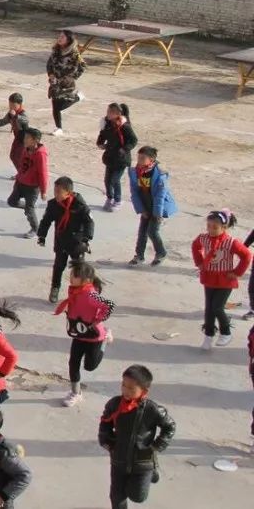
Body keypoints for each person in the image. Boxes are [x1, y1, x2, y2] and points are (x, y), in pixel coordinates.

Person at [99, 365, 175, 509]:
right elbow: (105, 422)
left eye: (131, 388)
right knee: (116, 495)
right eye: (123, 385)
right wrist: (105, 440)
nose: (125, 391)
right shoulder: (114, 404)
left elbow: (170, 426)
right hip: (118, 459)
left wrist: (157, 446)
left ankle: (152, 472)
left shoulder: (153, 409)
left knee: (137, 496)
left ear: (144, 391)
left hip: (142, 462)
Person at [54, 260, 115, 407]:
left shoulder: (91, 295)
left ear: (86, 280)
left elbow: (110, 305)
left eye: (74, 275)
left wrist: (99, 319)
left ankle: (106, 339)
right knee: (73, 363)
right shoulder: (74, 290)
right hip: (79, 335)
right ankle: (76, 392)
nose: (70, 278)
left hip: (94, 337)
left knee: (90, 366)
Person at [191, 209, 251, 350]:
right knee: (209, 309)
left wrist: (237, 272)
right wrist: (199, 262)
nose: (211, 230)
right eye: (209, 226)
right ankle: (208, 336)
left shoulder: (231, 242)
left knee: (217, 307)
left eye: (215, 227)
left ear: (224, 227)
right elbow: (195, 246)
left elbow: (247, 255)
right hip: (209, 278)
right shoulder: (204, 238)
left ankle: (226, 332)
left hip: (225, 280)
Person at [37, 176, 95, 303]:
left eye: (59, 192)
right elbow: (46, 221)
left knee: (79, 270)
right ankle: (55, 288)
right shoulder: (53, 205)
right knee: (58, 266)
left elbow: (89, 223)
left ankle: (81, 292)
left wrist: (86, 239)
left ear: (68, 192)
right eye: (55, 191)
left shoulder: (80, 205)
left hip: (77, 243)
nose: (56, 194)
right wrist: (42, 235)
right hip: (61, 241)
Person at [128, 146, 177, 266]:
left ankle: (161, 253)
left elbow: (160, 196)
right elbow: (134, 192)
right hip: (145, 206)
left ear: (151, 160)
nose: (139, 160)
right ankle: (139, 255)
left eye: (143, 158)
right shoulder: (135, 172)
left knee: (152, 231)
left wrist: (158, 214)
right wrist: (141, 209)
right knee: (142, 232)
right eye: (138, 157)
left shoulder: (160, 175)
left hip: (157, 207)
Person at [7, 129, 48, 239]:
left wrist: (43, 191)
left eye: (27, 138)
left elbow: (43, 173)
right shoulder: (26, 149)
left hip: (32, 187)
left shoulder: (40, 154)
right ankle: (29, 208)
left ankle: (35, 228)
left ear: (35, 140)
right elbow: (21, 167)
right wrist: (17, 180)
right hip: (21, 183)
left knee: (29, 210)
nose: (24, 140)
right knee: (11, 201)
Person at [97, 103, 137, 211]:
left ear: (117, 113)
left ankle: (118, 200)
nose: (108, 114)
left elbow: (133, 140)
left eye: (110, 112)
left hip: (121, 159)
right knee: (107, 180)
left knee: (115, 179)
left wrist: (124, 149)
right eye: (108, 111)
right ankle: (110, 198)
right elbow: (102, 135)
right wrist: (100, 143)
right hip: (110, 157)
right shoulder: (107, 124)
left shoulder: (124, 126)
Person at [46, 29, 85, 135]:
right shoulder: (55, 51)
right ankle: (59, 128)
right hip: (55, 82)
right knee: (55, 104)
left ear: (68, 40)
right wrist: (50, 74)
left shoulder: (74, 54)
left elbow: (82, 67)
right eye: (59, 36)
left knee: (60, 105)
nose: (59, 38)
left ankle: (77, 97)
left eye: (62, 37)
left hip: (67, 83)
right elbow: (49, 64)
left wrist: (72, 78)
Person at [0, 92, 29, 172]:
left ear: (20, 104)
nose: (11, 107)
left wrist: (15, 116)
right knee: (13, 156)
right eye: (10, 105)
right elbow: (3, 121)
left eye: (13, 105)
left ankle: (22, 174)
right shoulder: (10, 113)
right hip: (17, 138)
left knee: (19, 157)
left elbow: (25, 119)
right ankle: (20, 173)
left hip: (24, 139)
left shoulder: (22, 113)